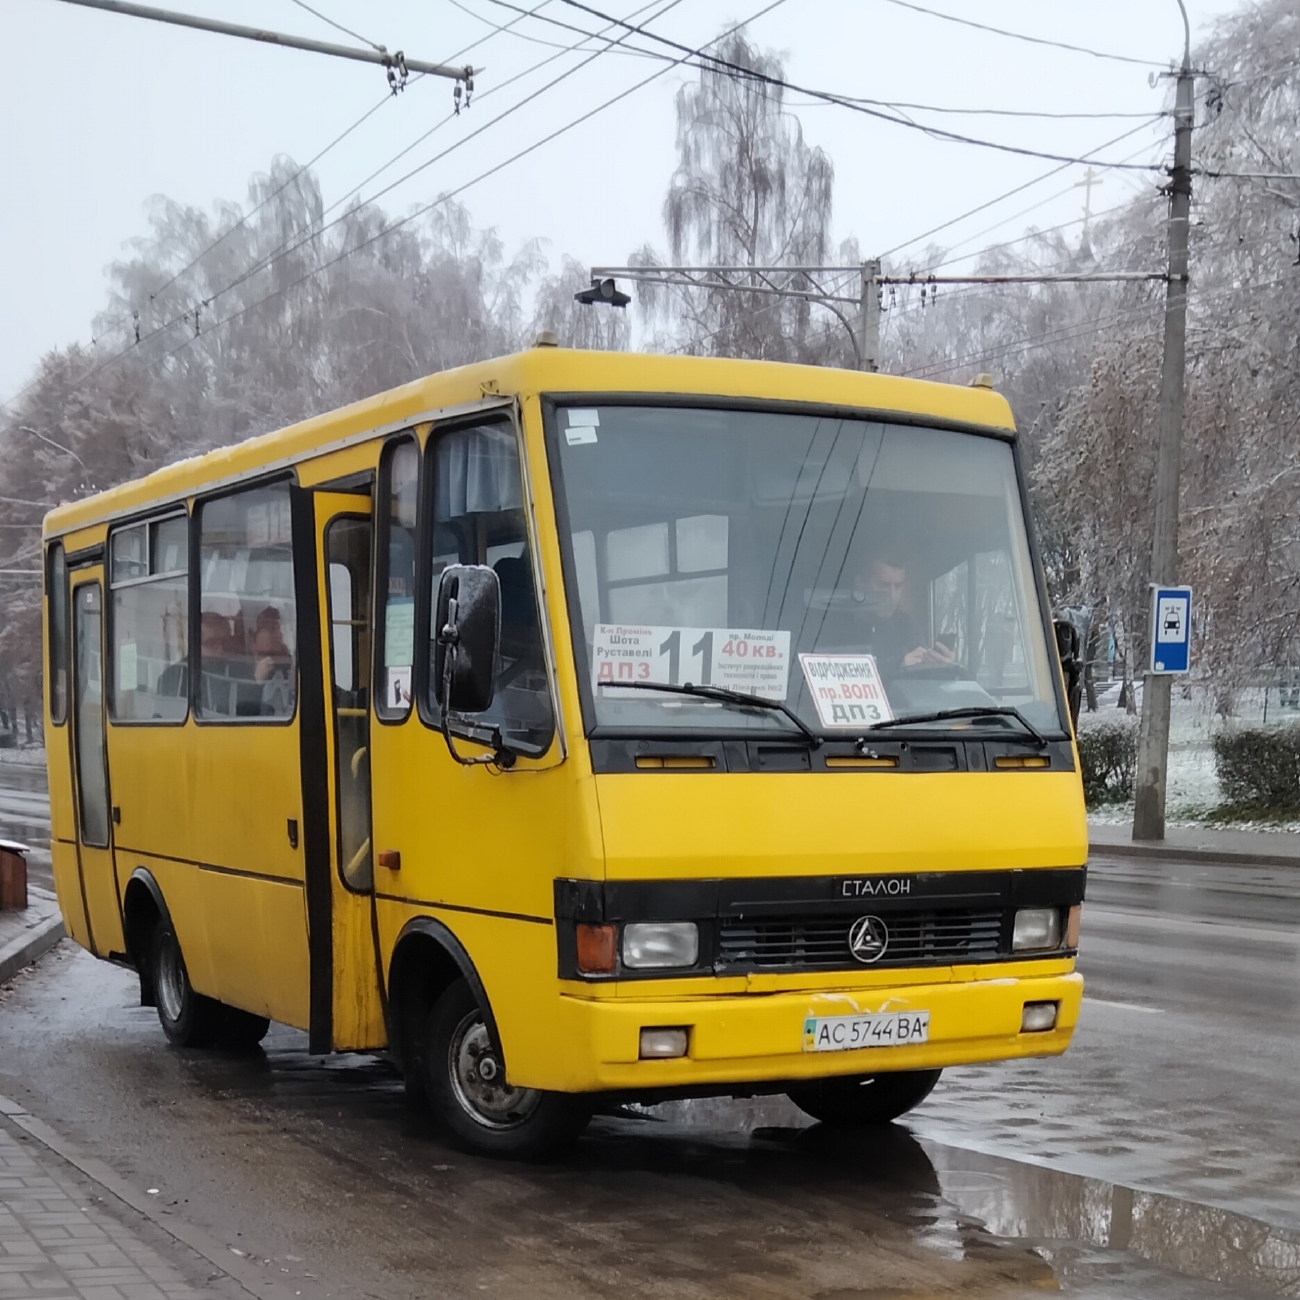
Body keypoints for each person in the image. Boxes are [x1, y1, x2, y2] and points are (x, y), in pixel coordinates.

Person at [848, 555, 955, 676]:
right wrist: (898, 668)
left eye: (898, 586)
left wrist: (943, 668)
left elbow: (922, 677)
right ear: (861, 583)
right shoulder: (843, 626)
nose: (892, 595)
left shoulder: (909, 627)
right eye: (883, 585)